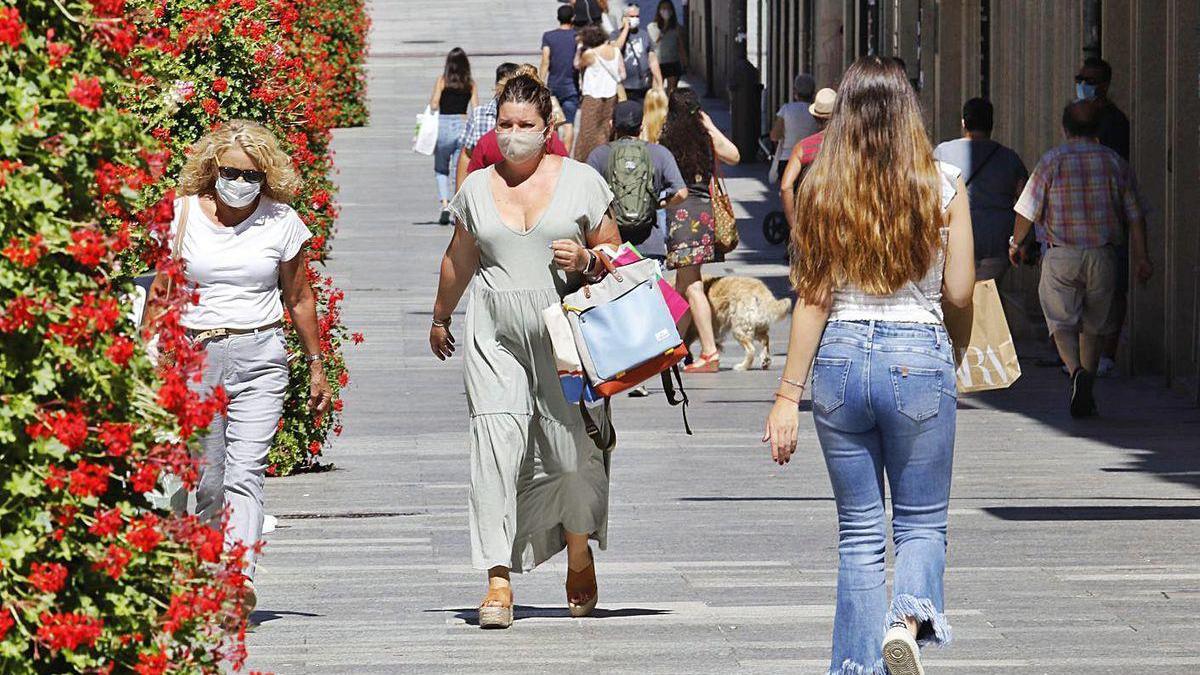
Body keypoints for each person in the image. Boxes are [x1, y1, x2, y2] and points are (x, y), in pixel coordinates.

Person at [763, 56, 974, 675]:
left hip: (840, 361)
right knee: (920, 522)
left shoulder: (824, 187)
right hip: (918, 355)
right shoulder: (943, 184)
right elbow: (959, 293)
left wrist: (785, 398)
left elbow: (813, 298)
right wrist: (950, 354)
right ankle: (904, 623)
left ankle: (855, 667)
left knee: (858, 534)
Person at [429, 74, 622, 630]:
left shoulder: (582, 182)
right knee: (495, 447)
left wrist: (587, 260)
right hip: (495, 334)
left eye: (525, 126)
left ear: (548, 129)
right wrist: (441, 316)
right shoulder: (477, 186)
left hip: (565, 335)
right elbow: (458, 258)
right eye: (505, 124)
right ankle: (497, 579)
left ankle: (578, 552)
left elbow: (616, 252)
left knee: (569, 455)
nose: (513, 135)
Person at [144, 120, 333, 616]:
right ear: (212, 170)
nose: (241, 183)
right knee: (205, 477)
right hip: (194, 353)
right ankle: (206, 572)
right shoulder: (180, 216)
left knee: (245, 471)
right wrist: (146, 352)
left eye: (252, 176)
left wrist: (316, 365)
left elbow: (298, 296)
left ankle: (237, 577)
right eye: (231, 172)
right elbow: (161, 292)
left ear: (266, 177)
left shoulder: (282, 221)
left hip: (260, 355)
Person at [1011, 100, 1152, 418]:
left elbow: (1026, 209)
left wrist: (1015, 242)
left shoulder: (1052, 160)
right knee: (1096, 325)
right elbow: (1136, 216)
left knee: (1061, 322)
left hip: (1062, 255)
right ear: (1099, 128)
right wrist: (1143, 256)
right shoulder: (1114, 162)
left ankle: (1076, 372)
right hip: (1103, 254)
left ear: (1065, 128)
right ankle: (1087, 379)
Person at [657, 88, 739, 374]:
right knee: (683, 284)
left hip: (680, 214)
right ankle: (673, 347)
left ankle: (709, 352)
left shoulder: (667, 139)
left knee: (692, 286)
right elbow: (734, 154)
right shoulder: (705, 137)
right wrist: (710, 126)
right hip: (703, 214)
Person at [1076, 56, 1131, 375]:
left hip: (1109, 220)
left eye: (1090, 81)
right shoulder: (1079, 116)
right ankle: (1083, 359)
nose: (1083, 85)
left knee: (1113, 289)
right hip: (1077, 221)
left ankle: (1106, 354)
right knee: (1082, 290)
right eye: (1080, 78)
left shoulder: (1115, 122)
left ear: (1105, 86)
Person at [933, 98, 1028, 281]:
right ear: (991, 124)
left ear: (963, 123)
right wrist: (1023, 242)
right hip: (997, 242)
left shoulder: (942, 153)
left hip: (955, 240)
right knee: (988, 295)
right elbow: (1026, 203)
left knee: (958, 299)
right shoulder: (1009, 158)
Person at [586, 99, 688, 247]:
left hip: (612, 245)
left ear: (611, 125)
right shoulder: (659, 153)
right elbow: (682, 193)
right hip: (651, 244)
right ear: (641, 127)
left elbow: (587, 196)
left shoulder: (599, 155)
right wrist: (657, 205)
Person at [455, 62, 520, 192]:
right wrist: (459, 196)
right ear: (497, 86)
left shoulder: (528, 116)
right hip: (485, 189)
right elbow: (467, 155)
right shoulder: (480, 115)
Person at [430, 48, 477, 225]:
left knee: (441, 168)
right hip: (462, 125)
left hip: (443, 126)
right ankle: (458, 210)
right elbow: (475, 107)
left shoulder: (442, 81)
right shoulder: (470, 84)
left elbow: (434, 104)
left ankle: (444, 204)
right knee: (459, 171)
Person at [779, 87, 835, 232]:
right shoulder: (850, 145)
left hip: (811, 222)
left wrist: (794, 226)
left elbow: (786, 186)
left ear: (815, 117)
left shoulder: (803, 147)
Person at [573, 24, 624, 163]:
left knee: (587, 132)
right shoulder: (616, 51)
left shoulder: (590, 54)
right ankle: (605, 159)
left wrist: (579, 48)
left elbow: (577, 64)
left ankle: (585, 161)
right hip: (612, 95)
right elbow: (622, 74)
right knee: (605, 130)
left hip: (592, 96)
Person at [542, 5, 581, 152]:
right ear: (573, 18)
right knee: (569, 124)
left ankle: (554, 152)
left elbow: (545, 60)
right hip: (572, 86)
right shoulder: (578, 36)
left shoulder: (548, 36)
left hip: (553, 85)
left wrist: (540, 80)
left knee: (554, 123)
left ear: (558, 18)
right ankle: (566, 157)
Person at [768, 73, 819, 184]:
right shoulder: (816, 112)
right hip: (811, 161)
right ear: (813, 93)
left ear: (795, 92)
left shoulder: (786, 109)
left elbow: (774, 136)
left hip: (787, 159)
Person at [612, 4, 663, 101]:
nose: (635, 19)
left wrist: (659, 83)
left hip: (643, 86)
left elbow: (652, 59)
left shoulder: (644, 35)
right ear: (624, 18)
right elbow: (616, 49)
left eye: (637, 16)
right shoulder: (615, 34)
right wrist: (626, 28)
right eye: (631, 16)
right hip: (623, 87)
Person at [647, 0, 686, 93]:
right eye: (664, 8)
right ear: (659, 11)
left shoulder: (677, 27)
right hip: (657, 63)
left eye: (668, 9)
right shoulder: (652, 27)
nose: (666, 11)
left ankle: (670, 106)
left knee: (672, 91)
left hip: (672, 61)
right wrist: (664, 27)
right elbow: (654, 42)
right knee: (656, 91)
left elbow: (681, 46)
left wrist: (685, 63)